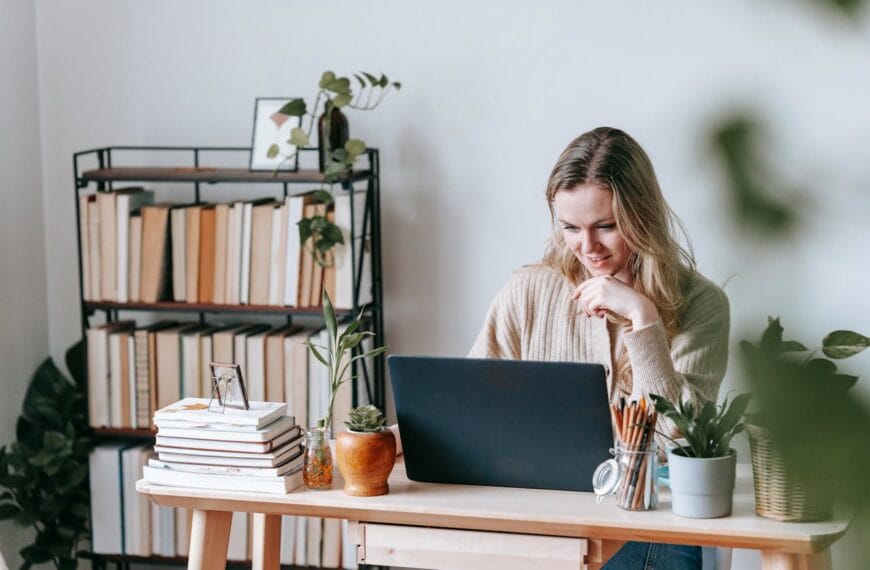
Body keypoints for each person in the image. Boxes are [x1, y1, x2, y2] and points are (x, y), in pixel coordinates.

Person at [468, 127, 730, 570]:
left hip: (648, 525)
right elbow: (473, 405)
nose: (587, 248)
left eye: (606, 227)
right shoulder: (527, 291)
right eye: (570, 228)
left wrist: (643, 318)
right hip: (542, 515)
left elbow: (676, 443)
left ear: (642, 217)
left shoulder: (702, 305)